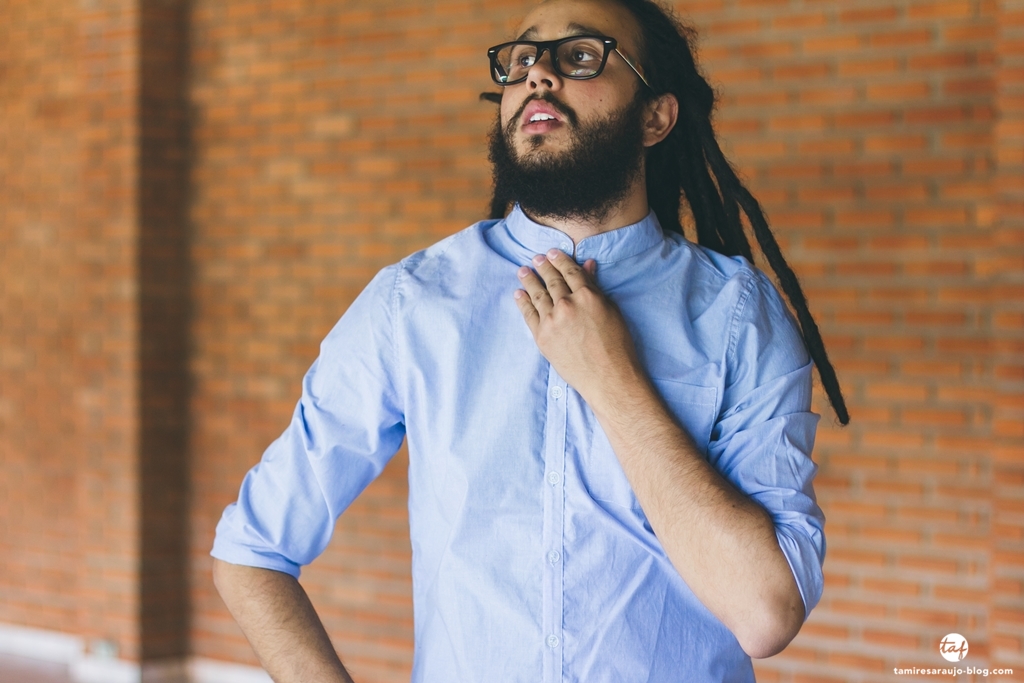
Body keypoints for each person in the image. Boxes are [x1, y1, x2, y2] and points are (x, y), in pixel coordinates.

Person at [211, 0, 849, 681]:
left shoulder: (737, 315)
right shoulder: (414, 303)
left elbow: (765, 613)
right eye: (521, 59)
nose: (537, 73)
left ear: (655, 117)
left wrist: (610, 378)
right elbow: (252, 551)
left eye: (580, 56)